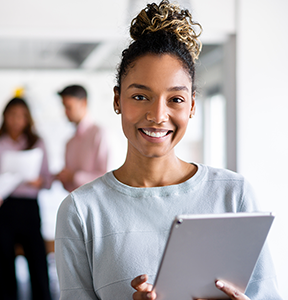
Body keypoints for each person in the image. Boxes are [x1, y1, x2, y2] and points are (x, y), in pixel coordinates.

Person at [54, 1, 282, 300]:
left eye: (175, 99)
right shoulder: (82, 212)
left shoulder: (233, 194)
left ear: (192, 106)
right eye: (140, 96)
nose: (158, 115)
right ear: (117, 100)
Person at [0, 98, 53, 300]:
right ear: (5, 117)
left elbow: (48, 180)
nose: (17, 120)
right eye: (12, 115)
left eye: (22, 116)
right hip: (5, 208)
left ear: (28, 119)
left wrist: (38, 181)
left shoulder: (37, 143)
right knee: (2, 265)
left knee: (37, 263)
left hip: (29, 209)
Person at [56, 84, 109, 192]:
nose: (65, 112)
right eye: (64, 107)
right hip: (74, 204)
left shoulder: (99, 134)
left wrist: (74, 177)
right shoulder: (70, 142)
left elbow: (107, 178)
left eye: (69, 107)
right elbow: (68, 186)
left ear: (83, 103)